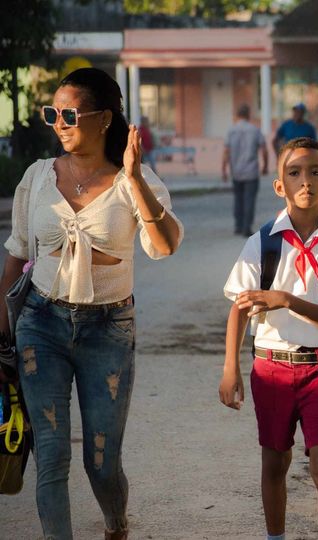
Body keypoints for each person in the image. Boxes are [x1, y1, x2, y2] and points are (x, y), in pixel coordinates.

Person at [0, 67, 183, 540]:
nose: (58, 122)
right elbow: (18, 249)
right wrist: (1, 324)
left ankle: (115, 522)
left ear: (103, 119)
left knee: (101, 462)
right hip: (40, 323)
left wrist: (136, 179)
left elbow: (164, 246)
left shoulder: (132, 181)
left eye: (69, 114)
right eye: (51, 113)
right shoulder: (38, 177)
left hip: (108, 330)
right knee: (52, 456)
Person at [219, 137, 318, 540]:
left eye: (315, 172)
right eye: (295, 173)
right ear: (279, 185)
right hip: (270, 368)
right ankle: (276, 537)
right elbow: (239, 306)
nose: (306, 182)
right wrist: (231, 368)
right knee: (274, 461)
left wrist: (286, 299)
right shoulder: (262, 243)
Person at [222, 104, 269, 237]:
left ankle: (238, 226)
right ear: (249, 115)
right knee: (249, 199)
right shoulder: (255, 130)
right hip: (251, 171)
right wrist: (265, 165)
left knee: (238, 198)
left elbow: (226, 151)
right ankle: (246, 227)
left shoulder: (231, 131)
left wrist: (223, 169)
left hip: (236, 171)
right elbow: (264, 149)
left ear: (237, 115)